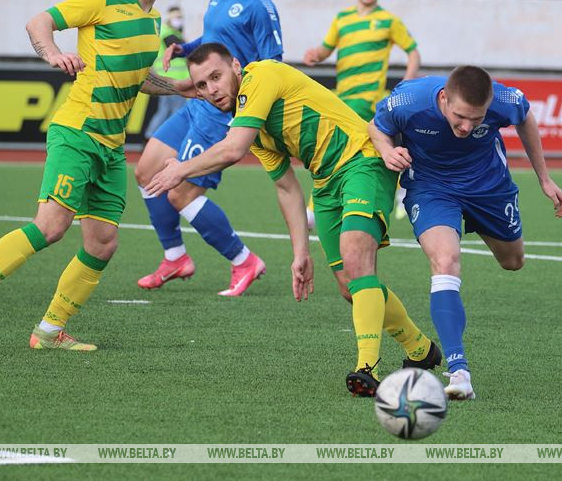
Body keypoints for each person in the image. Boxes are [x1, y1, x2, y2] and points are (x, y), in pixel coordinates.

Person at [0, 0, 193, 351]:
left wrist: (178, 87)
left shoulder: (152, 22)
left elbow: (138, 78)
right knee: (51, 227)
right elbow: (38, 22)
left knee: (103, 243)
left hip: (111, 147)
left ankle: (49, 330)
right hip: (78, 133)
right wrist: (53, 53)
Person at [147, 43, 441, 397]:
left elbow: (232, 149)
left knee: (357, 261)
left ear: (236, 66)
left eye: (216, 77)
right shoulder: (252, 126)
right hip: (326, 182)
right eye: (202, 85)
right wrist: (300, 253)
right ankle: (420, 349)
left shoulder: (261, 76)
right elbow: (286, 188)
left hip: (362, 160)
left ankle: (367, 369)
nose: (212, 89)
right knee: (348, 286)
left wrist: (181, 169)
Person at [368, 66, 562, 400]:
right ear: (444, 99)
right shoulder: (409, 101)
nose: (466, 126)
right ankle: (459, 371)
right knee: (445, 261)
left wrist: (544, 179)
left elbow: (525, 117)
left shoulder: (503, 99)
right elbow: (376, 127)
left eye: (476, 119)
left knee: (513, 261)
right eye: (460, 116)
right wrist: (387, 150)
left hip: (488, 186)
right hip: (432, 188)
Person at [134, 0, 282, 297]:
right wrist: (185, 48)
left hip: (222, 111)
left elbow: (273, 65)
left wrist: (246, 108)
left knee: (180, 193)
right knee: (146, 172)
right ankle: (175, 257)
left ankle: (243, 260)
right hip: (199, 99)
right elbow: (217, 38)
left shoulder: (260, 7)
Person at [303, 0, 420, 224]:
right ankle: (400, 185)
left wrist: (407, 81)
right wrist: (316, 55)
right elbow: (326, 49)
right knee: (363, 152)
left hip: (368, 100)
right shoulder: (342, 19)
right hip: (342, 98)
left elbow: (413, 52)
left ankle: (313, 209)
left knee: (333, 147)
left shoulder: (388, 21)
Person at [143, 5, 189, 137]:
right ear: (169, 18)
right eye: (177, 17)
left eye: (180, 17)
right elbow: (185, 49)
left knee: (164, 111)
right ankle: (169, 138)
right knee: (176, 112)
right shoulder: (169, 34)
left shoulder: (168, 32)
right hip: (174, 80)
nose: (179, 20)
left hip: (166, 78)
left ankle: (150, 136)